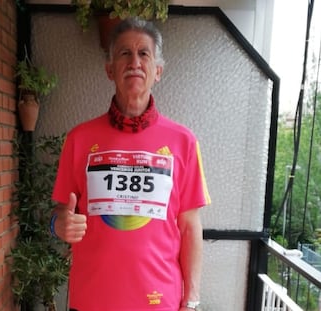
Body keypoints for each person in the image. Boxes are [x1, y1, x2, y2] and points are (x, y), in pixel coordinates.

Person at [50, 17, 211, 311]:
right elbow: (63, 213)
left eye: (143, 53)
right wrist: (59, 224)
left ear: (158, 71)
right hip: (91, 300)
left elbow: (190, 226)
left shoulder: (183, 142)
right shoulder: (79, 139)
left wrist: (193, 298)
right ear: (110, 69)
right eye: (124, 53)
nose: (134, 62)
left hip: (158, 300)